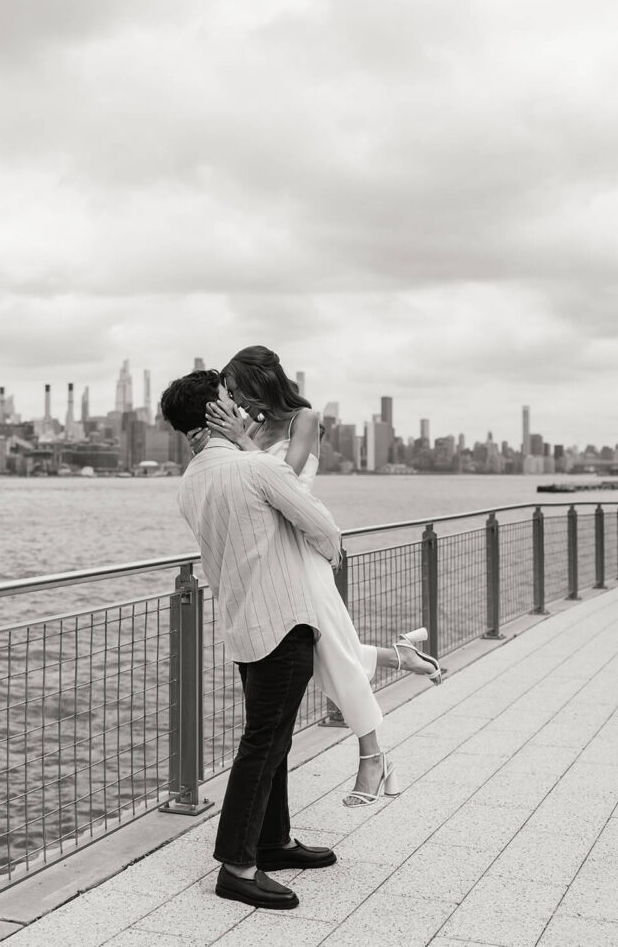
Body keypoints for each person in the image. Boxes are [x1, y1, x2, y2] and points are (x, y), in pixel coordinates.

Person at [195, 345, 441, 807]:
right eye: (231, 396)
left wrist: (241, 441)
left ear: (260, 381)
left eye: (239, 391)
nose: (239, 403)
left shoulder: (302, 419)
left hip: (303, 550)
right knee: (328, 650)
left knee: (332, 652)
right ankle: (400, 659)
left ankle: (373, 755)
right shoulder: (251, 426)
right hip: (274, 553)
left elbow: (283, 480)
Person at [160, 368, 341, 911]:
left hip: (242, 622)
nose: (237, 403)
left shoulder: (191, 481)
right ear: (216, 411)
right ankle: (237, 866)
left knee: (272, 737)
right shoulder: (256, 467)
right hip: (284, 620)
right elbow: (327, 532)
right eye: (226, 397)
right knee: (263, 743)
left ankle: (274, 841)